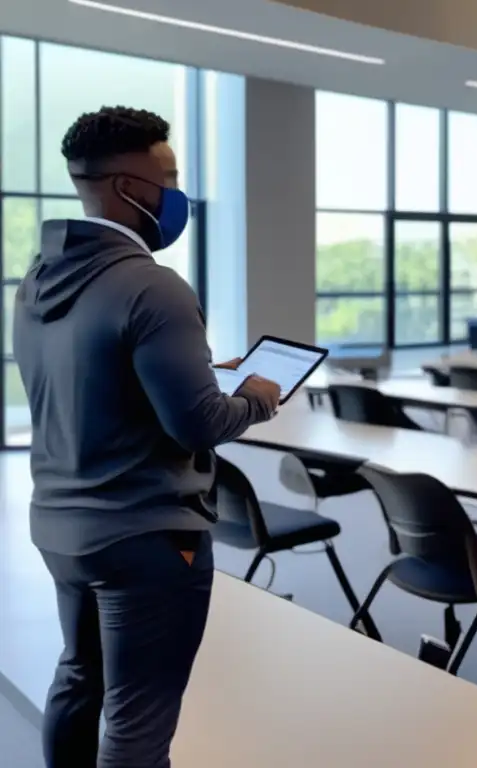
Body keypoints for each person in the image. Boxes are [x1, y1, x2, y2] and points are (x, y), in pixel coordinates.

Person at [13, 106, 281, 768]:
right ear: (125, 186)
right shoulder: (155, 288)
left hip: (61, 528)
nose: (177, 192)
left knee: (80, 680)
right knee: (138, 721)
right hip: (148, 539)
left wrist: (183, 373)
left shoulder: (39, 281)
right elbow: (200, 424)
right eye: (168, 177)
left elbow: (91, 382)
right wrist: (254, 398)